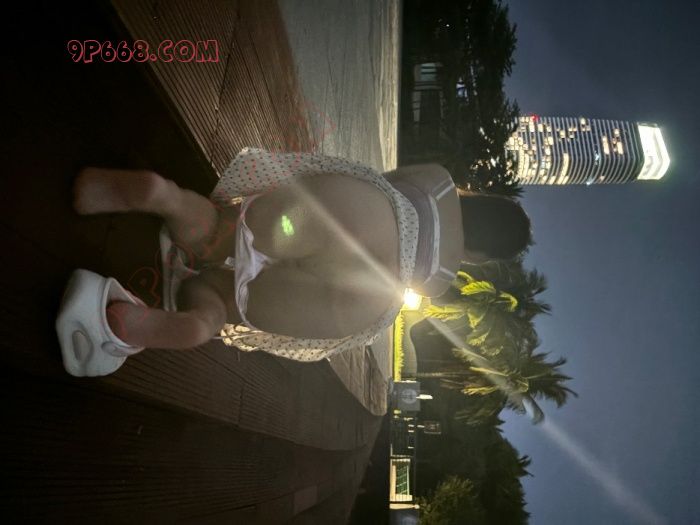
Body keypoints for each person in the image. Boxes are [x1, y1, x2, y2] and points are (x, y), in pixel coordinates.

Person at [56, 148, 530, 376]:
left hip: (356, 212)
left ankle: (166, 198)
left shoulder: (440, 178)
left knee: (225, 232)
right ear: (478, 257)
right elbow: (418, 286)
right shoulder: (443, 277)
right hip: (368, 293)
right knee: (234, 304)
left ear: (478, 198)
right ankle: (197, 320)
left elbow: (388, 180)